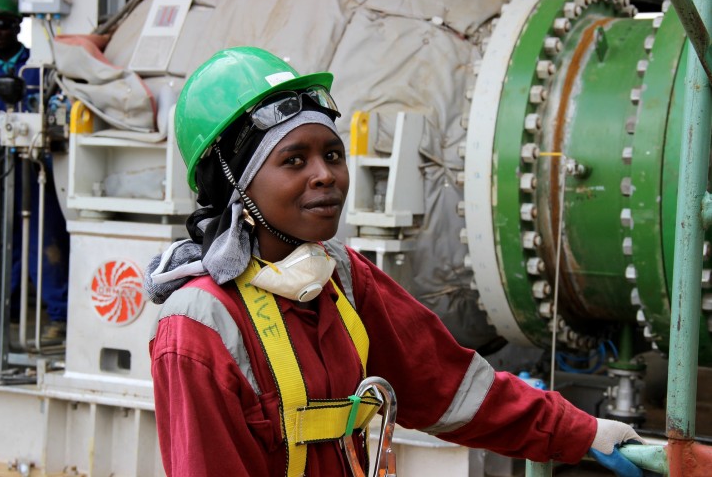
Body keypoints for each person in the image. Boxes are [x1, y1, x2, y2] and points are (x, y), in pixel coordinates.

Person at [145, 46, 644, 477]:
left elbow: (450, 386)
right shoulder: (200, 326)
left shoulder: (340, 279)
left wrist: (582, 432)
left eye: (333, 155)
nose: (326, 176)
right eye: (294, 160)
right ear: (234, 184)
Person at [0, 0, 69, 339]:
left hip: (36, 168)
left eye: (2, 24)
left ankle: (58, 315)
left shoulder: (38, 64)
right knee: (3, 239)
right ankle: (3, 311)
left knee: (44, 238)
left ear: (18, 25)